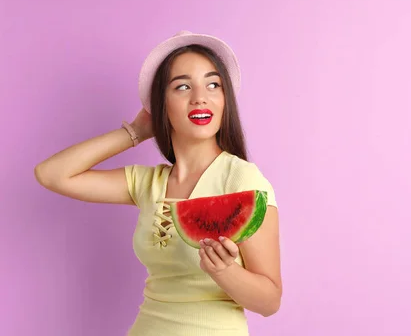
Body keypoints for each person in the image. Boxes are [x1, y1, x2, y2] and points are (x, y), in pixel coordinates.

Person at [34, 31, 282, 336]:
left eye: (213, 84)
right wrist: (135, 131)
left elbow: (269, 301)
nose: (200, 97)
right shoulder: (148, 183)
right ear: (160, 105)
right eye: (182, 86)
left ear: (224, 99)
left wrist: (225, 272)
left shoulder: (242, 179)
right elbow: (51, 174)